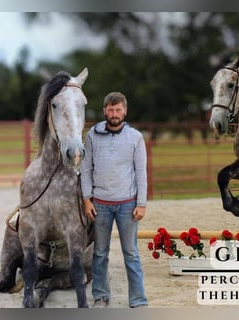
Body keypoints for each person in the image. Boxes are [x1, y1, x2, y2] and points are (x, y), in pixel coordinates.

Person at [81, 91, 148, 308]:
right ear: (104, 111)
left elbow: (141, 172)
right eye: (110, 109)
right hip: (100, 204)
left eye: (118, 109)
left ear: (125, 111)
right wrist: (86, 199)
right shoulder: (92, 135)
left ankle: (138, 299)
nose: (114, 113)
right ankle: (101, 296)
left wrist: (142, 203)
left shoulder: (135, 137)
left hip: (128, 204)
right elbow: (85, 169)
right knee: (100, 253)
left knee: (131, 253)